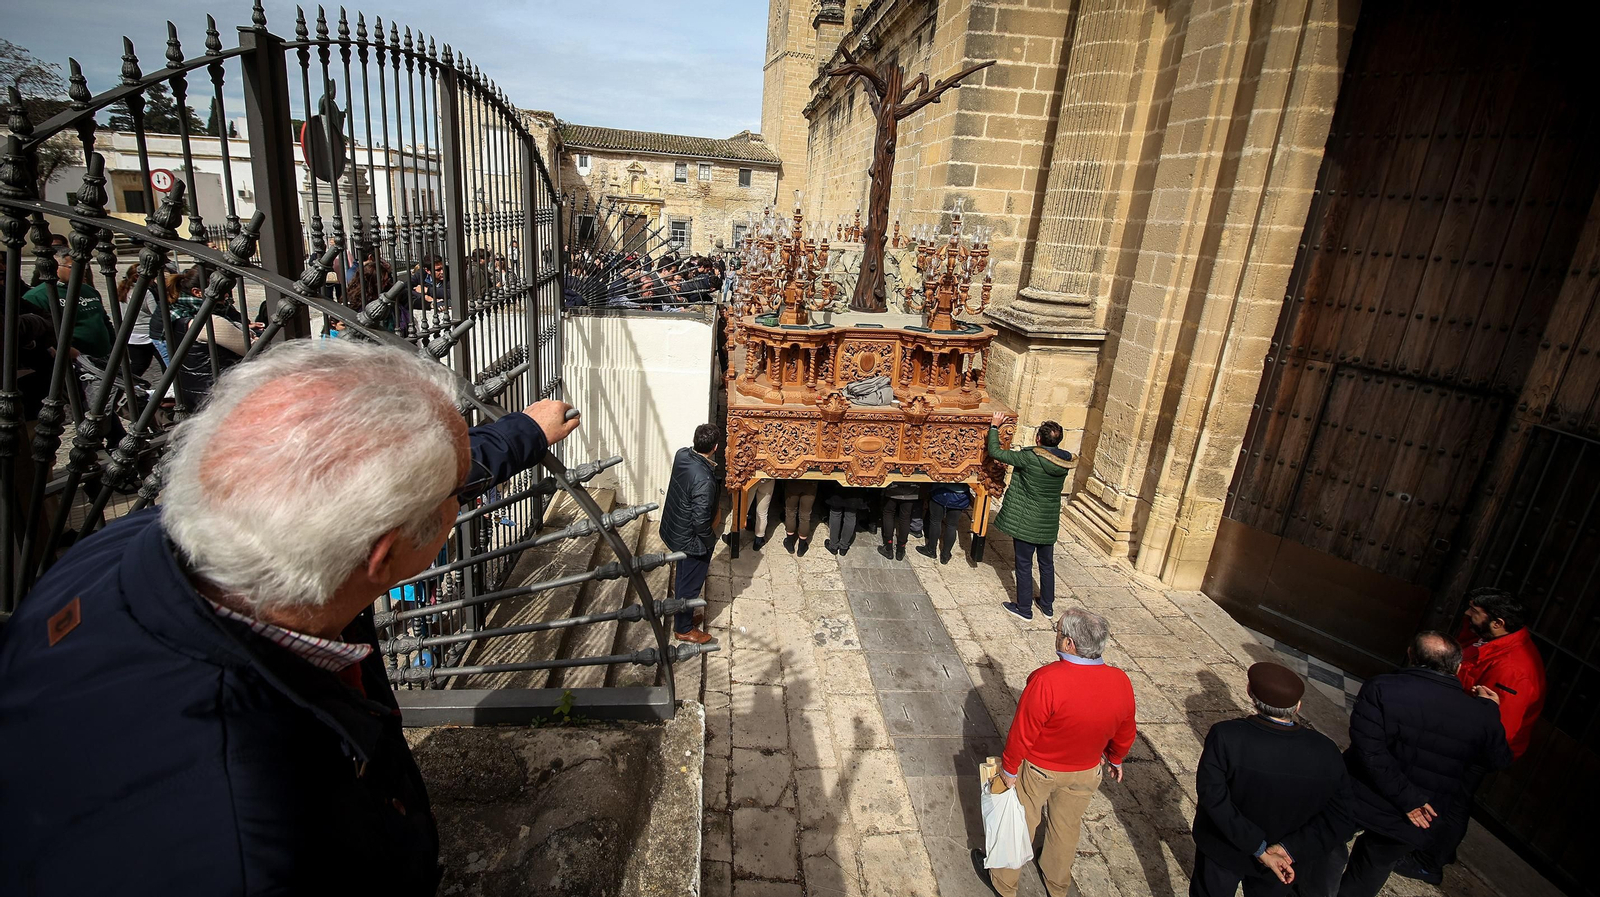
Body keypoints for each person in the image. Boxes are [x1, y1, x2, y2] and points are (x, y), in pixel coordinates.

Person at [0, 340, 580, 894]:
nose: (461, 491)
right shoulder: (251, 847)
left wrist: (521, 432)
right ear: (383, 555)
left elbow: (363, 477)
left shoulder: (160, 540)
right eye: (456, 490)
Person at [1336, 632, 1514, 897]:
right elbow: (1497, 759)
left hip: (1363, 791)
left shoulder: (1383, 688)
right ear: (1458, 666)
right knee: (1370, 870)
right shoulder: (1481, 714)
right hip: (1420, 812)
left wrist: (1407, 798)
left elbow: (1369, 750)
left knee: (1325, 846)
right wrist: (1490, 712)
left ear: (1411, 655)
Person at [1397, 589, 1547, 885]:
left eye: (1474, 611)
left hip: (1472, 747)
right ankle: (1438, 846)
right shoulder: (1490, 639)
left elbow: (1498, 729)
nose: (1467, 615)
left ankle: (1430, 862)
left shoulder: (1514, 669)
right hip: (1458, 733)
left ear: (1498, 622)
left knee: (1453, 803)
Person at [987, 609, 1136, 897]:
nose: (1055, 636)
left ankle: (1004, 883)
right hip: (1086, 770)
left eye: (1058, 632)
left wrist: (1009, 768)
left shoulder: (1047, 679)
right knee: (1066, 827)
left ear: (1069, 644)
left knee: (1022, 822)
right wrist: (1116, 758)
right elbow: (1126, 729)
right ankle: (1056, 882)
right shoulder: (1121, 682)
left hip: (1040, 770)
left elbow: (1023, 731)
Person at [1191, 663, 1356, 896]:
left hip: (1224, 849)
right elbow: (1341, 816)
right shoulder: (1326, 751)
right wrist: (1288, 849)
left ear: (1250, 693)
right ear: (1298, 707)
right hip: (1284, 862)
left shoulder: (1227, 736)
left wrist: (1259, 848)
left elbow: (1214, 798)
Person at [986, 414, 1076, 621]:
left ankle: (1024, 608)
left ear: (1038, 439)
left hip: (1026, 521)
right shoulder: (1064, 461)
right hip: (1048, 521)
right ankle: (1047, 606)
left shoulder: (1030, 457)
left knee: (1024, 564)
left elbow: (996, 452)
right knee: (1047, 564)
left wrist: (994, 427)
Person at [660, 423, 721, 645]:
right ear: (715, 446)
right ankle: (683, 628)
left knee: (683, 576)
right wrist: (709, 542)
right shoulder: (704, 480)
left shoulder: (682, 454)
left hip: (676, 528)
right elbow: (701, 521)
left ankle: (683, 614)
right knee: (689, 583)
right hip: (691, 539)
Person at [23, 239, 115, 359]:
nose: (83, 270)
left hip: (105, 357)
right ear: (56, 267)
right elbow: (38, 335)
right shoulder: (36, 296)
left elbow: (104, 320)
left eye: (84, 265)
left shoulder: (88, 290)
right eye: (73, 267)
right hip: (73, 362)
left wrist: (115, 346)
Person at [917, 483, 970, 564]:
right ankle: (945, 555)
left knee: (935, 521)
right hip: (960, 496)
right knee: (952, 526)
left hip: (940, 492)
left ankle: (931, 549)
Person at [878, 480, 920, 560]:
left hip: (893, 485)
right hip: (912, 487)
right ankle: (900, 550)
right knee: (905, 518)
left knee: (888, 513)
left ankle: (888, 547)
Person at [824, 485, 869, 556]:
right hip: (855, 486)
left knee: (835, 513)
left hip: (838, 486)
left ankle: (833, 546)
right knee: (851, 515)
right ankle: (843, 547)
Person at [781, 480, 817, 556]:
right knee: (805, 516)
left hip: (793, 481)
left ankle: (790, 544)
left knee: (790, 513)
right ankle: (801, 548)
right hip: (810, 483)